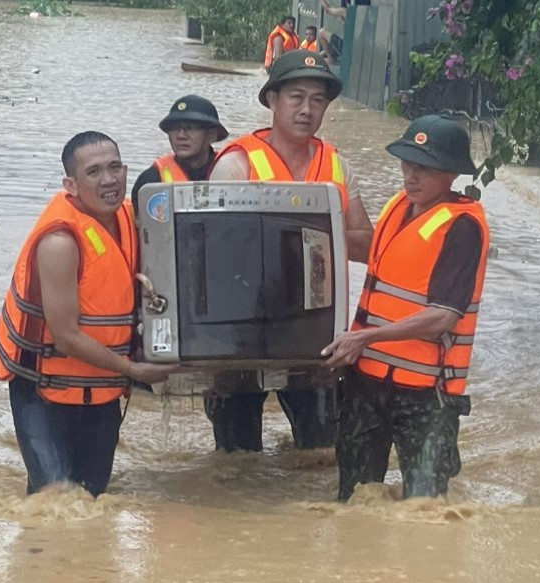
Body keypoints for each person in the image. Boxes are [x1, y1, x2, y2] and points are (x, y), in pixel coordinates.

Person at [0, 131, 176, 497]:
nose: (109, 180)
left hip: (102, 392)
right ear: (71, 184)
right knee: (57, 498)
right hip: (44, 390)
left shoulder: (134, 222)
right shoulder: (60, 242)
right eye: (94, 172)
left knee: (91, 499)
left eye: (115, 167)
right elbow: (65, 336)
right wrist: (134, 371)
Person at [207, 49, 374, 453]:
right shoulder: (237, 165)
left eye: (318, 100)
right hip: (242, 333)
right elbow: (212, 255)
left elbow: (368, 245)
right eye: (296, 97)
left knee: (320, 453)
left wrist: (317, 232)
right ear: (272, 100)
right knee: (237, 459)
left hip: (315, 333)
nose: (307, 109)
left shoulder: (338, 166)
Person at [321, 115, 489, 501]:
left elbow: (443, 317)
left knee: (426, 509)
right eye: (407, 164)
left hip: (426, 395)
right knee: (355, 498)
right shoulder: (399, 206)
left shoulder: (462, 228)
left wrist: (367, 336)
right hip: (366, 382)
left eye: (423, 169)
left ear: (450, 174)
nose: (410, 176)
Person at [131, 95, 229, 203]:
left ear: (211, 135)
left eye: (190, 128)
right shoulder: (151, 181)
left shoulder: (233, 172)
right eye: (174, 128)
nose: (181, 135)